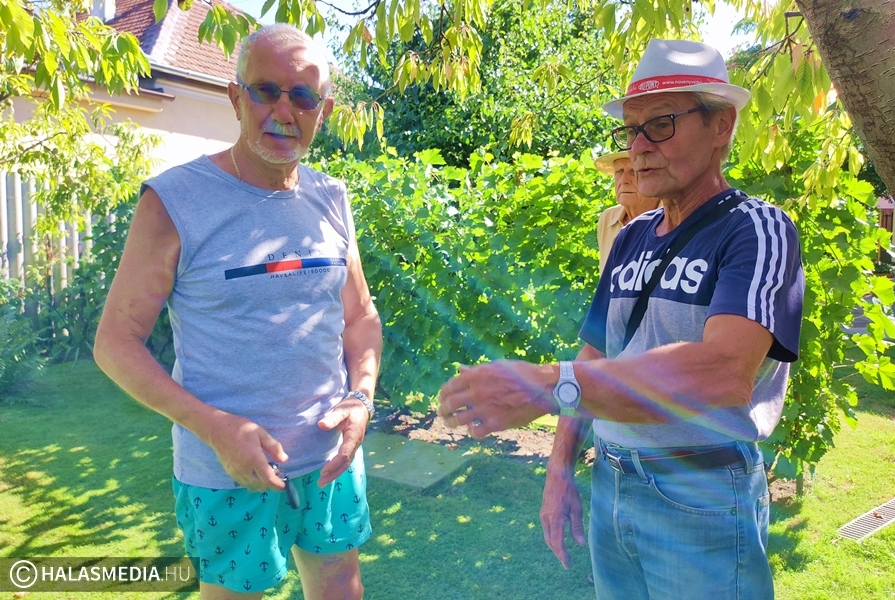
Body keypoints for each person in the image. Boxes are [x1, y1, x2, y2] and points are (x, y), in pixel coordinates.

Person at [438, 38, 804, 600]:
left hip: (700, 491)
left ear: (721, 125)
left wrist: (546, 386)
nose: (638, 147)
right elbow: (595, 352)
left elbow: (723, 372)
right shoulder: (631, 236)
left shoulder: (755, 229)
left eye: (660, 124)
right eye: (631, 130)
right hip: (611, 478)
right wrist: (559, 469)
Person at [94, 24, 382, 600]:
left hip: (330, 462)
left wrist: (362, 397)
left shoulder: (331, 197)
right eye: (265, 90)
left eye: (302, 96)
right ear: (235, 97)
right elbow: (115, 343)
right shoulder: (174, 202)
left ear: (322, 111)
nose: (284, 111)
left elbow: (360, 316)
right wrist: (215, 428)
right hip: (226, 472)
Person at [594, 151, 662, 270]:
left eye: (634, 171)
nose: (624, 180)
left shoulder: (672, 218)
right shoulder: (608, 219)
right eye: (619, 172)